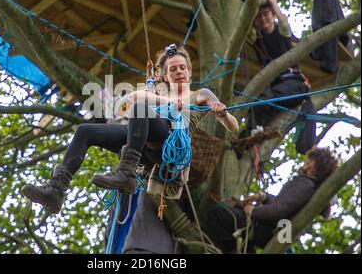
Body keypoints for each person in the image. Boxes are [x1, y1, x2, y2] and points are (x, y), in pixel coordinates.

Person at [22, 44, 239, 214]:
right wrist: (168, 103)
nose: (179, 71)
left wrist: (222, 113)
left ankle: (126, 173)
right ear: (165, 76)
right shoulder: (159, 96)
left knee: (142, 109)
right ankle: (56, 189)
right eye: (173, 69)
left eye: (183, 68)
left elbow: (233, 126)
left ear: (190, 73)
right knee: (85, 131)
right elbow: (133, 97)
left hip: (170, 143)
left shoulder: (199, 94)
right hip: (142, 138)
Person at [207, 147, 338, 253]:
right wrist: (263, 197)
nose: (306, 162)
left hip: (266, 229)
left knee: (217, 214)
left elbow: (278, 211)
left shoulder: (305, 184)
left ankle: (234, 251)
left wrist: (253, 211)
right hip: (270, 230)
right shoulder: (310, 187)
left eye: (310, 160)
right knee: (233, 218)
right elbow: (284, 204)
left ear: (315, 166)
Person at [244, 0, 311, 137]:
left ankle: (254, 132)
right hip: (276, 90)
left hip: (293, 85)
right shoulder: (257, 39)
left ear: (272, 15)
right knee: (256, 104)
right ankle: (249, 137)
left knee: (263, 100)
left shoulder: (282, 32)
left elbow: (283, 22)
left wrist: (273, 3)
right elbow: (247, 28)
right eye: (259, 17)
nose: (263, 19)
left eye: (266, 14)